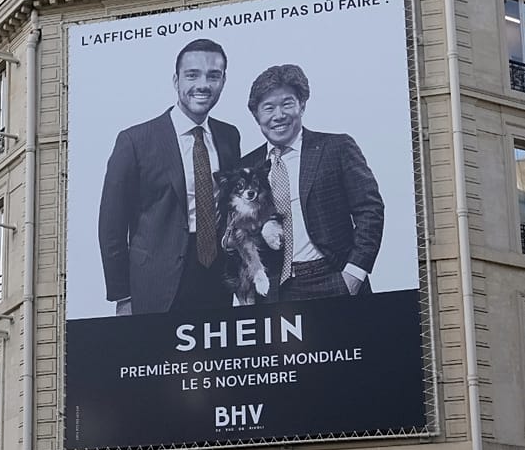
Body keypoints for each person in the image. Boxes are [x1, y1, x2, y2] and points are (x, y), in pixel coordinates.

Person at [98, 38, 242, 316]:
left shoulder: (229, 136)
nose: (203, 85)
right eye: (192, 75)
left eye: (213, 76)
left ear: (223, 81)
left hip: (218, 276)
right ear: (176, 81)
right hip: (155, 282)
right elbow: (111, 226)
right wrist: (123, 295)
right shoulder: (135, 141)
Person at [240, 64, 384, 302]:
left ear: (302, 105)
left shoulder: (336, 148)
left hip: (333, 277)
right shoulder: (246, 166)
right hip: (275, 290)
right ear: (256, 115)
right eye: (268, 107)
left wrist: (354, 274)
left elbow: (370, 210)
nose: (279, 115)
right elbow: (239, 231)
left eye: (287, 104)